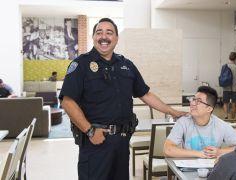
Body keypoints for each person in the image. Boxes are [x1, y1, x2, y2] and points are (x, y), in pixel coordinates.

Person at [59, 18, 187, 180]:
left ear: (116, 38)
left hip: (122, 141)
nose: (104, 37)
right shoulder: (81, 65)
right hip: (95, 143)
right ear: (93, 37)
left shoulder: (126, 65)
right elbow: (67, 101)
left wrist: (172, 111)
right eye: (99, 32)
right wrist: (90, 131)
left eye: (109, 33)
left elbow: (145, 94)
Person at [164, 86, 236, 158]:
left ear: (209, 109)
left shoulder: (220, 125)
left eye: (198, 101)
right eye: (193, 99)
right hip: (187, 169)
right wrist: (200, 154)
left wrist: (220, 152)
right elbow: (167, 149)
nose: (192, 103)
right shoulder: (183, 122)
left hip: (214, 169)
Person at [222, 52, 236, 120]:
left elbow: (222, 77)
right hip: (235, 88)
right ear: (235, 58)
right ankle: (233, 118)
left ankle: (226, 115)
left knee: (225, 103)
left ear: (229, 57)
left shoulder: (224, 66)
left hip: (226, 87)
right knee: (234, 104)